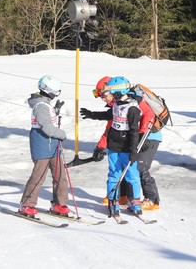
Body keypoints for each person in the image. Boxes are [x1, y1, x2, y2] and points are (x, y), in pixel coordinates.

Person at [80, 77, 161, 211]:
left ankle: (152, 200)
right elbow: (111, 129)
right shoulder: (117, 105)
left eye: (103, 95)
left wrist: (141, 138)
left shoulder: (134, 101)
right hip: (130, 138)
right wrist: (100, 146)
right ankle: (122, 196)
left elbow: (149, 115)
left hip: (149, 135)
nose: (102, 99)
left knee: (139, 168)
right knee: (122, 168)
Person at [19, 75, 70, 217]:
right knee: (38, 176)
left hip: (53, 145)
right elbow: (46, 127)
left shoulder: (45, 104)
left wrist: (56, 110)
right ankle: (27, 205)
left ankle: (59, 203)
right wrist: (62, 134)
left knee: (60, 176)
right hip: (42, 145)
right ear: (48, 90)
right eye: (55, 92)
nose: (56, 95)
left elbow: (49, 120)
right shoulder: (40, 106)